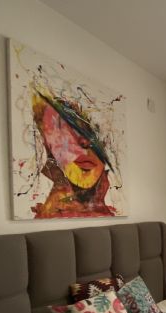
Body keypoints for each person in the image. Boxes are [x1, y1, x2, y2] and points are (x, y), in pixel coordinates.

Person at [31, 89, 117, 218]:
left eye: (94, 132)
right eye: (68, 130)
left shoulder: (106, 214)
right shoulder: (49, 216)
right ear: (48, 147)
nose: (85, 141)